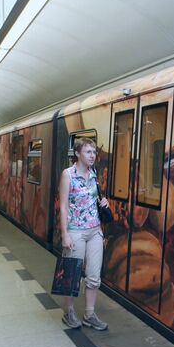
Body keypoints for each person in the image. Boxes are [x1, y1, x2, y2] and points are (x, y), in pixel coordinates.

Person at [59, 137, 108, 331]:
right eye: (88, 152)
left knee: (94, 276)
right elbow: (63, 207)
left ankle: (89, 314)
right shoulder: (68, 175)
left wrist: (105, 203)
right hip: (75, 231)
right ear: (77, 153)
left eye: (94, 152)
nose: (92, 156)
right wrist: (65, 234)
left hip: (95, 230)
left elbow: (93, 200)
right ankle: (69, 312)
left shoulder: (93, 174)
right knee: (71, 274)